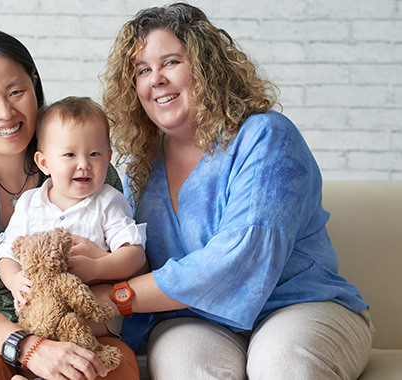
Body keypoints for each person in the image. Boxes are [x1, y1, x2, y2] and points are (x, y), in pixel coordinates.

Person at [78, 3, 375, 380]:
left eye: (170, 62)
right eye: (142, 70)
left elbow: (238, 258)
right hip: (195, 319)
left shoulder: (266, 136)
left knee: (282, 364)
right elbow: (140, 258)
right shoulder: (143, 166)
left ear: (205, 67)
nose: (156, 79)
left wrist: (119, 297)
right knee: (186, 367)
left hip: (299, 304)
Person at [0, 30, 140, 380]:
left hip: (76, 324)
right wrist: (29, 347)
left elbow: (129, 262)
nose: (6, 112)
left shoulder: (89, 171)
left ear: (35, 87)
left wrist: (96, 267)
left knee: (112, 368)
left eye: (17, 92)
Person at [0, 96, 147, 319]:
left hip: (92, 311)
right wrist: (14, 280)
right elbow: (7, 253)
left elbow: (134, 254)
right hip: (41, 309)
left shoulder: (108, 202)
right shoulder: (29, 203)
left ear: (108, 158)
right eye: (70, 155)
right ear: (44, 163)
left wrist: (96, 267)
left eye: (95, 154)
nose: (83, 164)